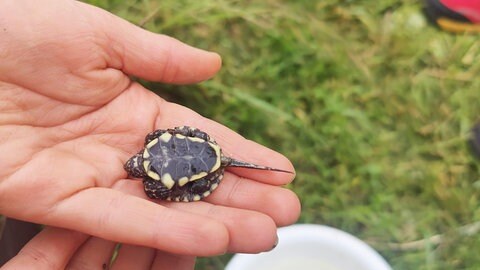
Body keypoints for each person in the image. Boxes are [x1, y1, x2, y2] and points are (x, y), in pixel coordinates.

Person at [0, 0, 301, 268]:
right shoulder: (153, 147)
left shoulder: (154, 175)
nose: (132, 168)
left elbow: (168, 165)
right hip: (193, 158)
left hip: (198, 162)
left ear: (139, 165)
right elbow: (166, 139)